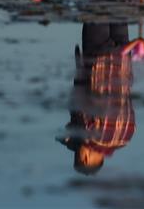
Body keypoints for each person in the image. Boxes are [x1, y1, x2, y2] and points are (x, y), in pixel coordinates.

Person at [57, 22, 135, 175]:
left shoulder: (126, 137)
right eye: (77, 152)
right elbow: (81, 97)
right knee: (98, 6)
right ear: (85, 158)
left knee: (117, 4)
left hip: (123, 60)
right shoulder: (89, 136)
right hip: (98, 59)